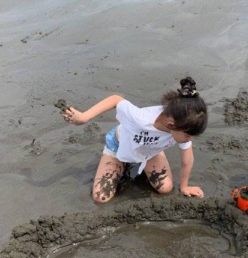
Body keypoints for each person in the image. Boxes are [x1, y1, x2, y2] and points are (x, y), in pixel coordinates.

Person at [62, 77, 208, 204]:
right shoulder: (141, 119)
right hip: (119, 147)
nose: (189, 140)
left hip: (149, 151)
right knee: (101, 197)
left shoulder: (182, 125)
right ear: (171, 126)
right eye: (188, 136)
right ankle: (121, 163)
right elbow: (115, 99)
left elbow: (187, 159)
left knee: (165, 188)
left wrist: (184, 187)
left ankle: (145, 161)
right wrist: (84, 117)